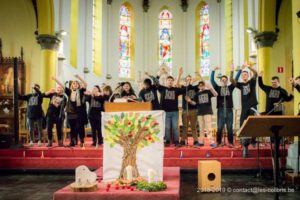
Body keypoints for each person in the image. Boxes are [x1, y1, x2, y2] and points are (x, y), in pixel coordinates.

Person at [53, 75, 87, 147]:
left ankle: (81, 141)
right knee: (72, 128)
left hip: (78, 113)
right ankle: (72, 141)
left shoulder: (80, 91)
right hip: (70, 112)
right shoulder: (69, 91)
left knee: (79, 127)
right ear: (72, 85)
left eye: (76, 83)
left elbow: (85, 84)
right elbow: (62, 85)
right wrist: (55, 79)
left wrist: (79, 78)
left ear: (78, 86)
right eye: (74, 83)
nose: (75, 84)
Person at [233, 63, 258, 157]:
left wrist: (249, 67)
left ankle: (253, 140)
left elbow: (255, 73)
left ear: (248, 76)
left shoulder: (252, 82)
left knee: (253, 124)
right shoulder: (240, 85)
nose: (244, 76)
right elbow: (233, 80)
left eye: (245, 74)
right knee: (241, 124)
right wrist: (239, 70)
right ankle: (243, 142)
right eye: (243, 75)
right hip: (244, 107)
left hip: (252, 106)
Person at [156, 68, 185, 147]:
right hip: (165, 111)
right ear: (166, 82)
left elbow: (184, 90)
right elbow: (155, 82)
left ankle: (176, 141)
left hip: (174, 111)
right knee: (167, 127)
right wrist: (159, 74)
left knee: (175, 127)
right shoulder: (162, 88)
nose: (170, 82)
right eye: (168, 80)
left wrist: (179, 75)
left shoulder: (176, 89)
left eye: (171, 81)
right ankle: (167, 141)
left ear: (173, 82)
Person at [185, 81, 217, 147]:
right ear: (198, 86)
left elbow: (216, 94)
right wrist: (190, 101)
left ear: (204, 86)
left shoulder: (208, 92)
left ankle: (211, 142)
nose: (201, 86)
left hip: (207, 111)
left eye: (202, 85)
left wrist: (210, 88)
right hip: (200, 112)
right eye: (200, 85)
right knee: (201, 128)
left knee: (209, 127)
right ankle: (201, 142)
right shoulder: (197, 94)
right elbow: (195, 103)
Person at [210, 66, 236, 148]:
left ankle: (231, 142)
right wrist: (213, 70)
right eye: (222, 80)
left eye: (225, 80)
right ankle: (218, 142)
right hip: (221, 110)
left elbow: (235, 81)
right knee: (220, 127)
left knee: (229, 127)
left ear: (227, 81)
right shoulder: (217, 88)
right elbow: (212, 80)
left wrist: (232, 71)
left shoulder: (230, 87)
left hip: (229, 110)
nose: (224, 81)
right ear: (221, 81)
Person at [43, 81, 67, 147]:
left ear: (62, 89)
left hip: (58, 115)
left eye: (60, 88)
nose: (59, 89)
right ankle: (49, 142)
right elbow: (43, 95)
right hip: (50, 114)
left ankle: (60, 142)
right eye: (57, 88)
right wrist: (49, 91)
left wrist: (55, 102)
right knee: (49, 128)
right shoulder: (52, 94)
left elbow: (63, 106)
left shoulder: (64, 97)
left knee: (59, 129)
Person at [179, 75, 199, 146]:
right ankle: (183, 140)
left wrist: (190, 100)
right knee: (185, 127)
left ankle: (196, 140)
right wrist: (179, 74)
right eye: (187, 80)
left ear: (192, 80)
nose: (188, 81)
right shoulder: (184, 88)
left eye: (190, 79)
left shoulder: (195, 88)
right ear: (185, 81)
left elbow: (202, 84)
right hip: (185, 110)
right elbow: (177, 85)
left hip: (193, 110)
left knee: (194, 126)